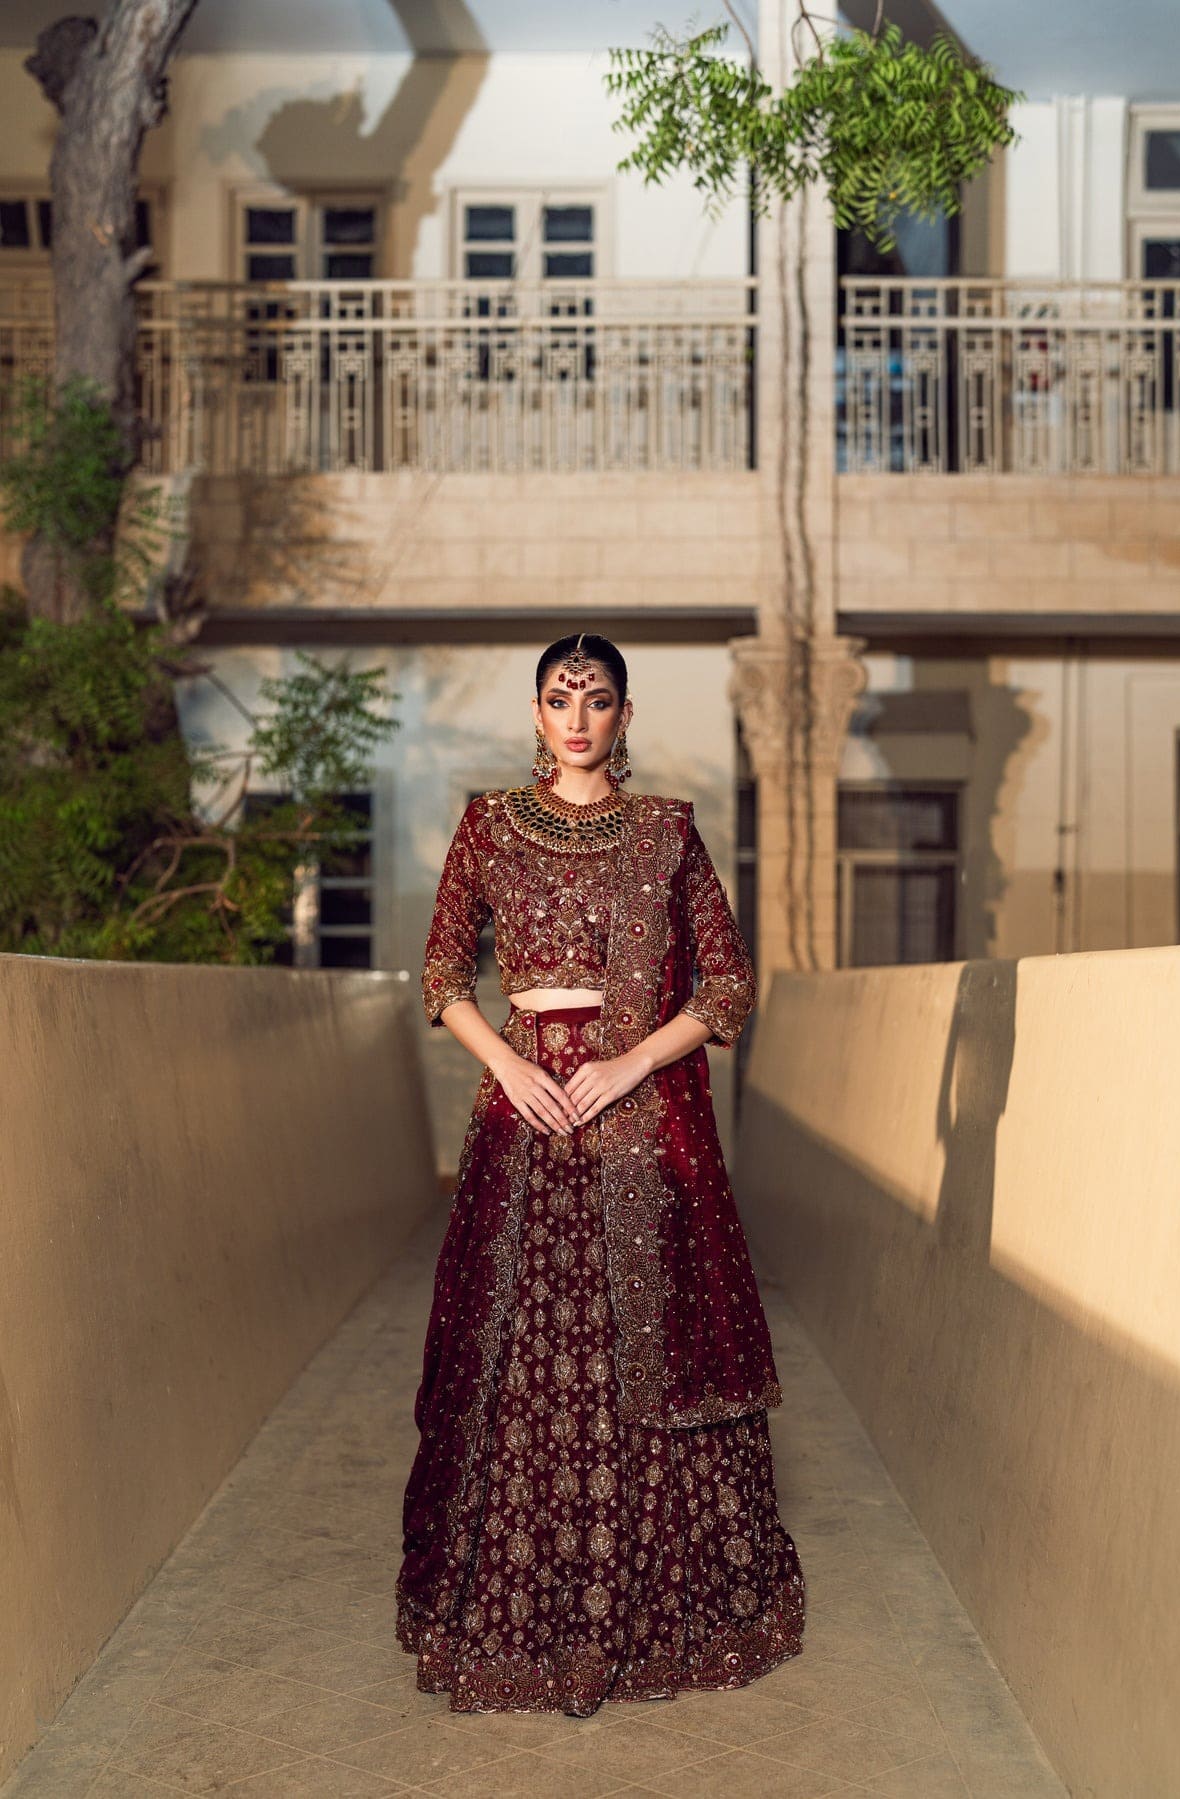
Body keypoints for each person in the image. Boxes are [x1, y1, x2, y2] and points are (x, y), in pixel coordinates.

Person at [395, 632, 805, 1716]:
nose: (576, 717)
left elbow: (725, 983)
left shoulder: (668, 831)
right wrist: (511, 1066)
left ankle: (650, 1614)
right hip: (520, 1120)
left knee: (642, 1345)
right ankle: (512, 1614)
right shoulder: (487, 824)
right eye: (557, 697)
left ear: (625, 716)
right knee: (518, 1355)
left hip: (639, 1126)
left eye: (597, 700)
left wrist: (625, 1062)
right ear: (535, 713)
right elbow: (440, 974)